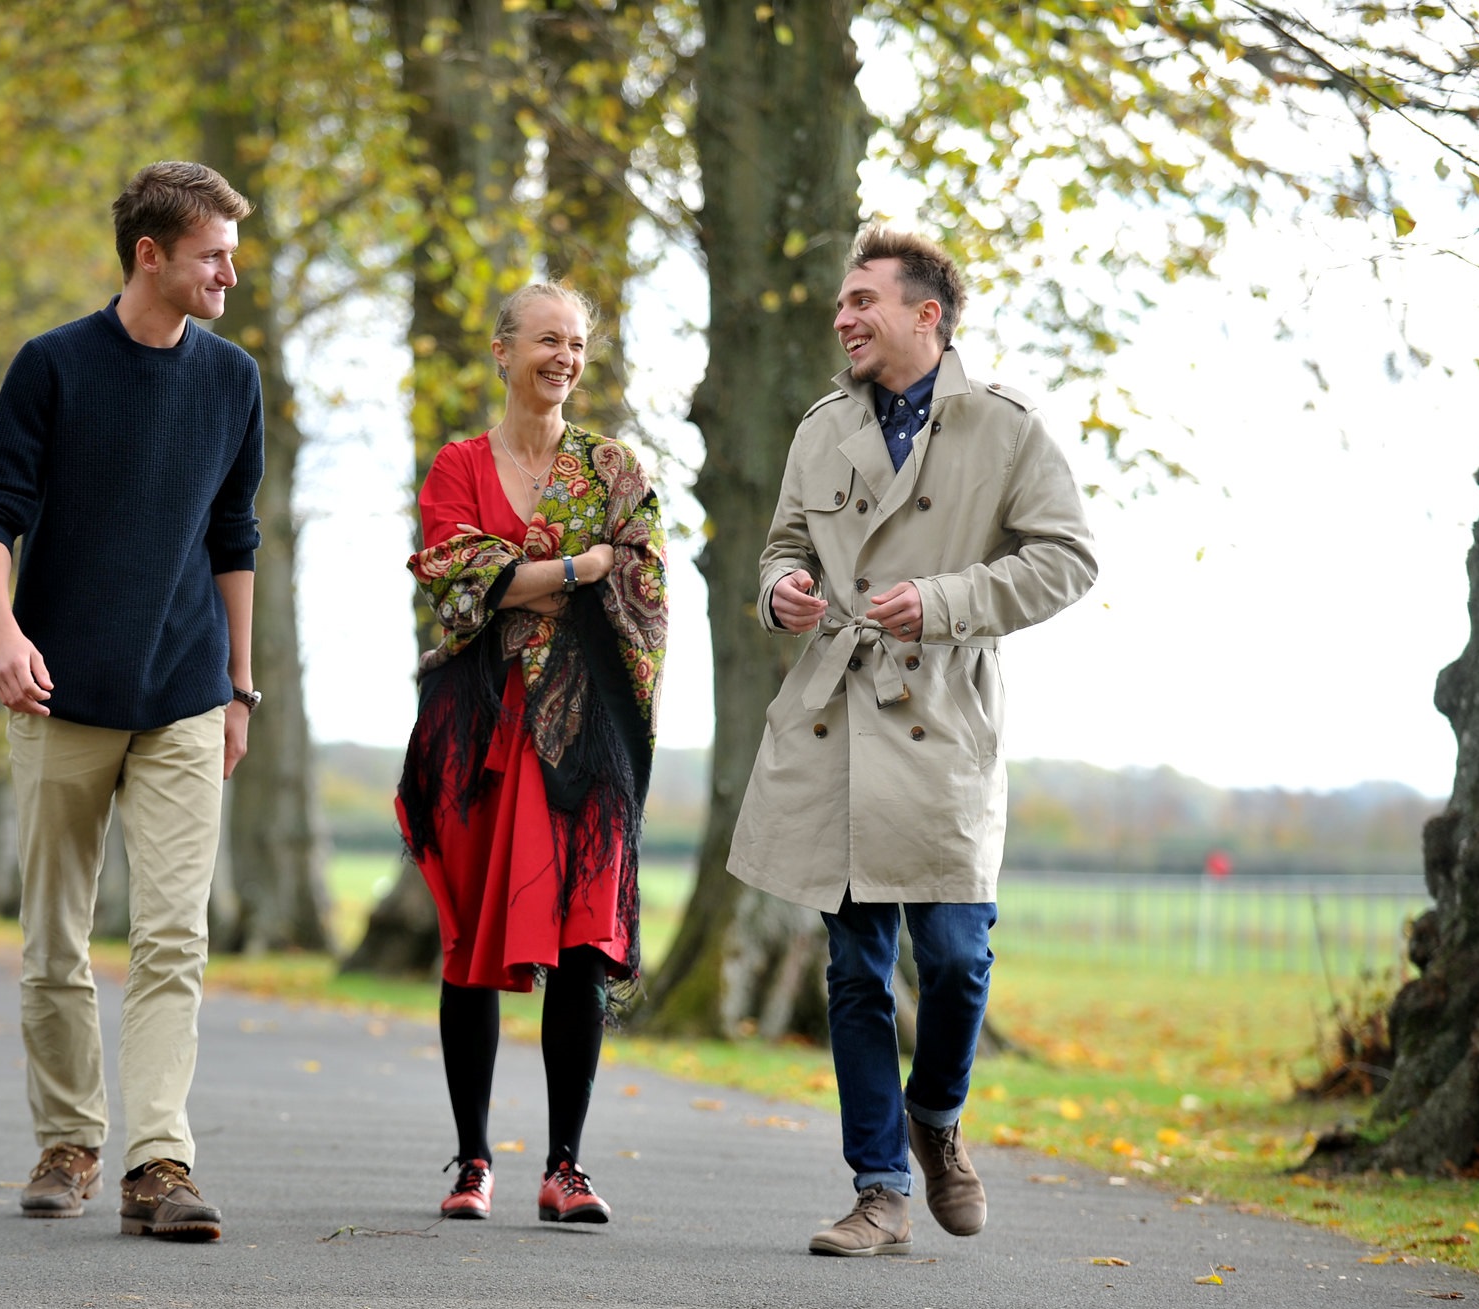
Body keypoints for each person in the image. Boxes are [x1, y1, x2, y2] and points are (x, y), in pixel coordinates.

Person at [727, 227, 1097, 1256]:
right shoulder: (820, 427)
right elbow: (783, 545)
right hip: (836, 714)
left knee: (954, 957)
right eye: (840, 304)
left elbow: (1066, 560)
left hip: (942, 714)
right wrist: (781, 589)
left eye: (859, 301)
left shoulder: (1005, 428)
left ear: (924, 314)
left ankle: (935, 1118)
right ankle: (878, 1190)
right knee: (853, 969)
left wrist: (939, 600)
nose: (840, 318)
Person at [0, 161, 263, 1241]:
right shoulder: (52, 367)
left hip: (183, 693)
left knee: (174, 937)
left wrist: (237, 685)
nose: (231, 271)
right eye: (212, 254)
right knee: (56, 937)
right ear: (150, 255)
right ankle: (68, 1139)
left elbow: (235, 539)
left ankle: (158, 1162)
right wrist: (2, 632)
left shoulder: (233, 382)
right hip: (58, 697)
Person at [395, 281, 668, 1226]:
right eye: (548, 339)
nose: (565, 357)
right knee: (470, 946)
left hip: (586, 737)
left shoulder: (614, 469)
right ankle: (472, 1161)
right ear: (503, 350)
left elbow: (643, 581)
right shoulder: (458, 464)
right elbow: (452, 573)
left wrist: (539, 581)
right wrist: (574, 571)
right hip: (478, 734)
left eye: (579, 343)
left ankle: (566, 1166)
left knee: (582, 942)